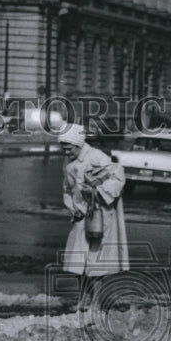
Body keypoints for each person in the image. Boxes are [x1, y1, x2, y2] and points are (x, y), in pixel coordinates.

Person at [58, 124, 129, 311]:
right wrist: (73, 209)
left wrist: (98, 192)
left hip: (101, 216)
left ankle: (96, 303)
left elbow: (118, 176)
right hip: (81, 217)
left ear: (78, 144)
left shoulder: (97, 157)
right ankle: (83, 299)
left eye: (68, 147)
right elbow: (67, 189)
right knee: (77, 261)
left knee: (97, 264)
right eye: (63, 147)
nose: (65, 151)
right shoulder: (69, 162)